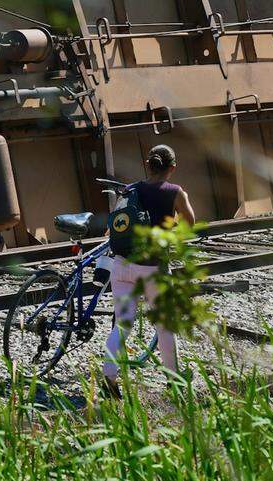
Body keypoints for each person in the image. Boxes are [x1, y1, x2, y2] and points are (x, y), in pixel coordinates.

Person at [95, 144, 195, 396]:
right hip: (153, 270)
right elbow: (190, 223)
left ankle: (109, 377)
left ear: (148, 165)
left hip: (122, 266)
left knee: (122, 325)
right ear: (172, 167)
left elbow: (117, 224)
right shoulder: (175, 192)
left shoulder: (130, 190)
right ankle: (173, 378)